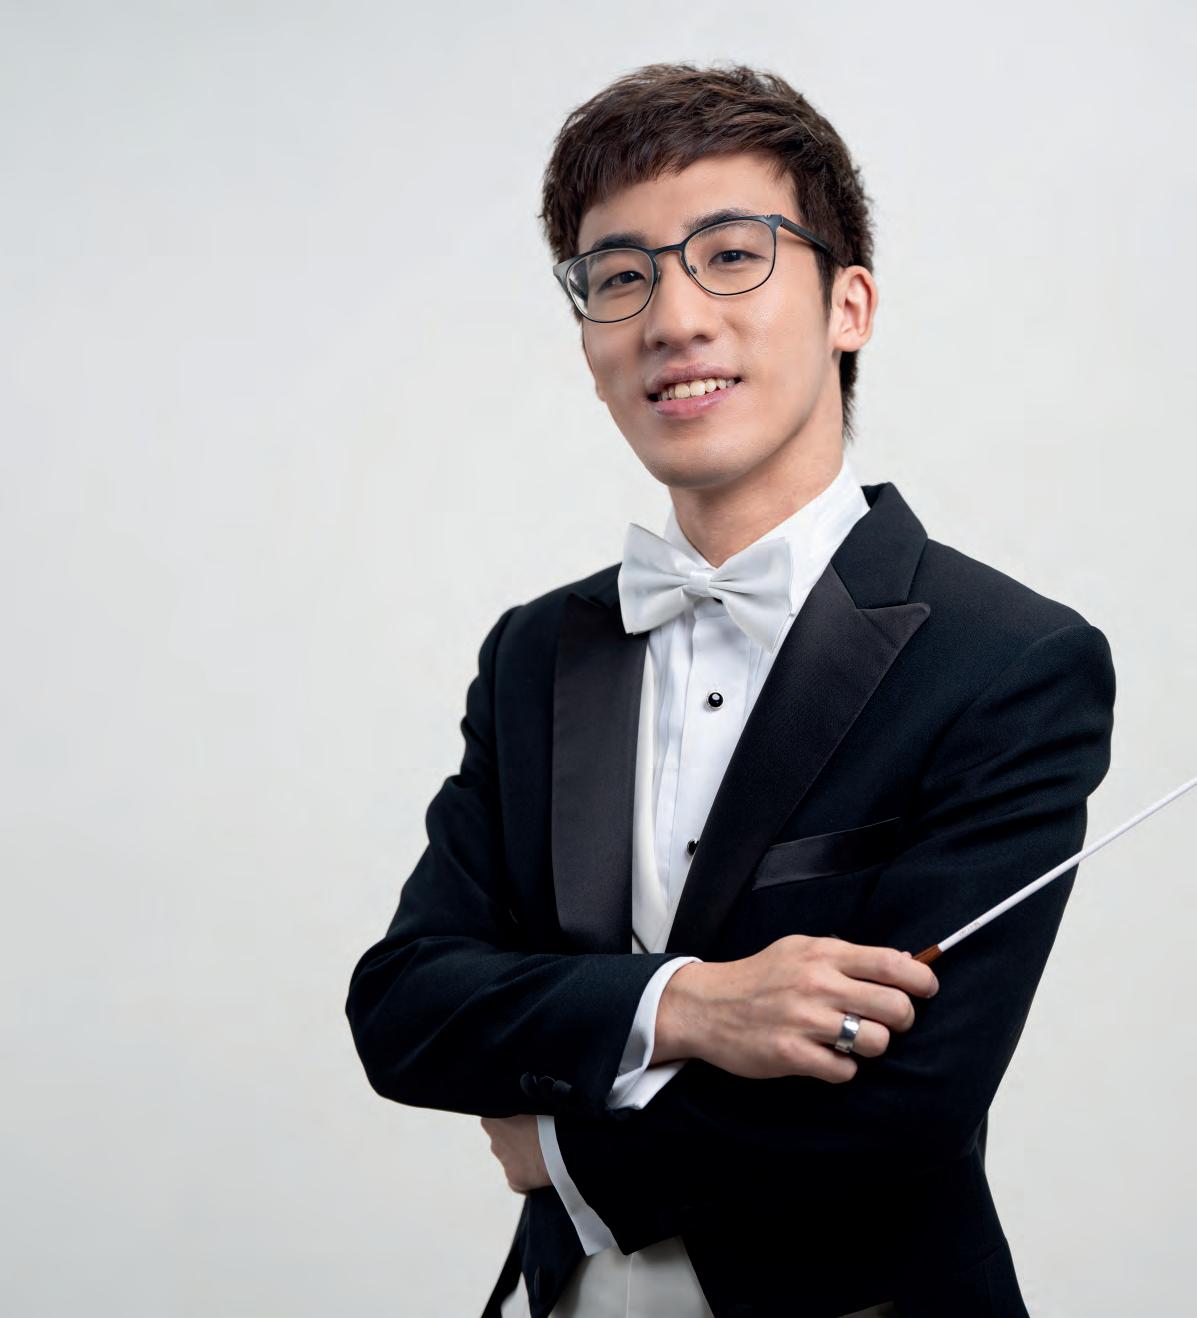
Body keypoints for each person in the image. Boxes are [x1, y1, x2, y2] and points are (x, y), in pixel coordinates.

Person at [344, 62, 1116, 1318]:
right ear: (589, 338)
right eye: (621, 275)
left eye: (732, 256)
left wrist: (564, 1151)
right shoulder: (537, 651)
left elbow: (907, 1107)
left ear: (849, 304)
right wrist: (693, 1004)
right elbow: (407, 1006)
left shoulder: (1010, 660)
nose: (673, 318)